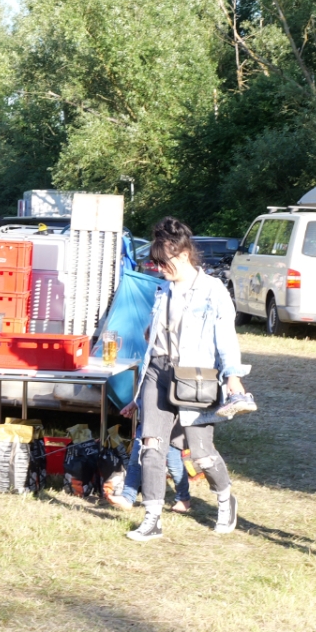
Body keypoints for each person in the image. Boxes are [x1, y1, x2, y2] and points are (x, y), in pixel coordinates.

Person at [125, 218, 249, 542]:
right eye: (155, 263)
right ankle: (152, 519)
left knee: (201, 453)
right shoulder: (162, 289)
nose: (158, 268)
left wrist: (233, 377)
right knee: (151, 445)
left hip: (195, 377)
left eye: (163, 262)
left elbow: (226, 337)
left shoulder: (213, 290)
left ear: (182, 255)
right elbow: (154, 336)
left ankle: (225, 500)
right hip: (158, 372)